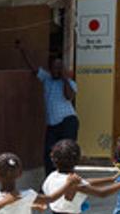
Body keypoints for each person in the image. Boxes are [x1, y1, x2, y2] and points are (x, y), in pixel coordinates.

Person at [16, 42, 77, 175]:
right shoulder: (46, 79)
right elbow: (33, 68)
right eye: (54, 68)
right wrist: (23, 51)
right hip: (52, 124)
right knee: (49, 153)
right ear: (50, 68)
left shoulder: (69, 83)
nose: (57, 70)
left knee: (67, 153)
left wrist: (65, 78)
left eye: (59, 68)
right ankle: (49, 180)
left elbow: (69, 97)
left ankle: (68, 180)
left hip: (67, 122)